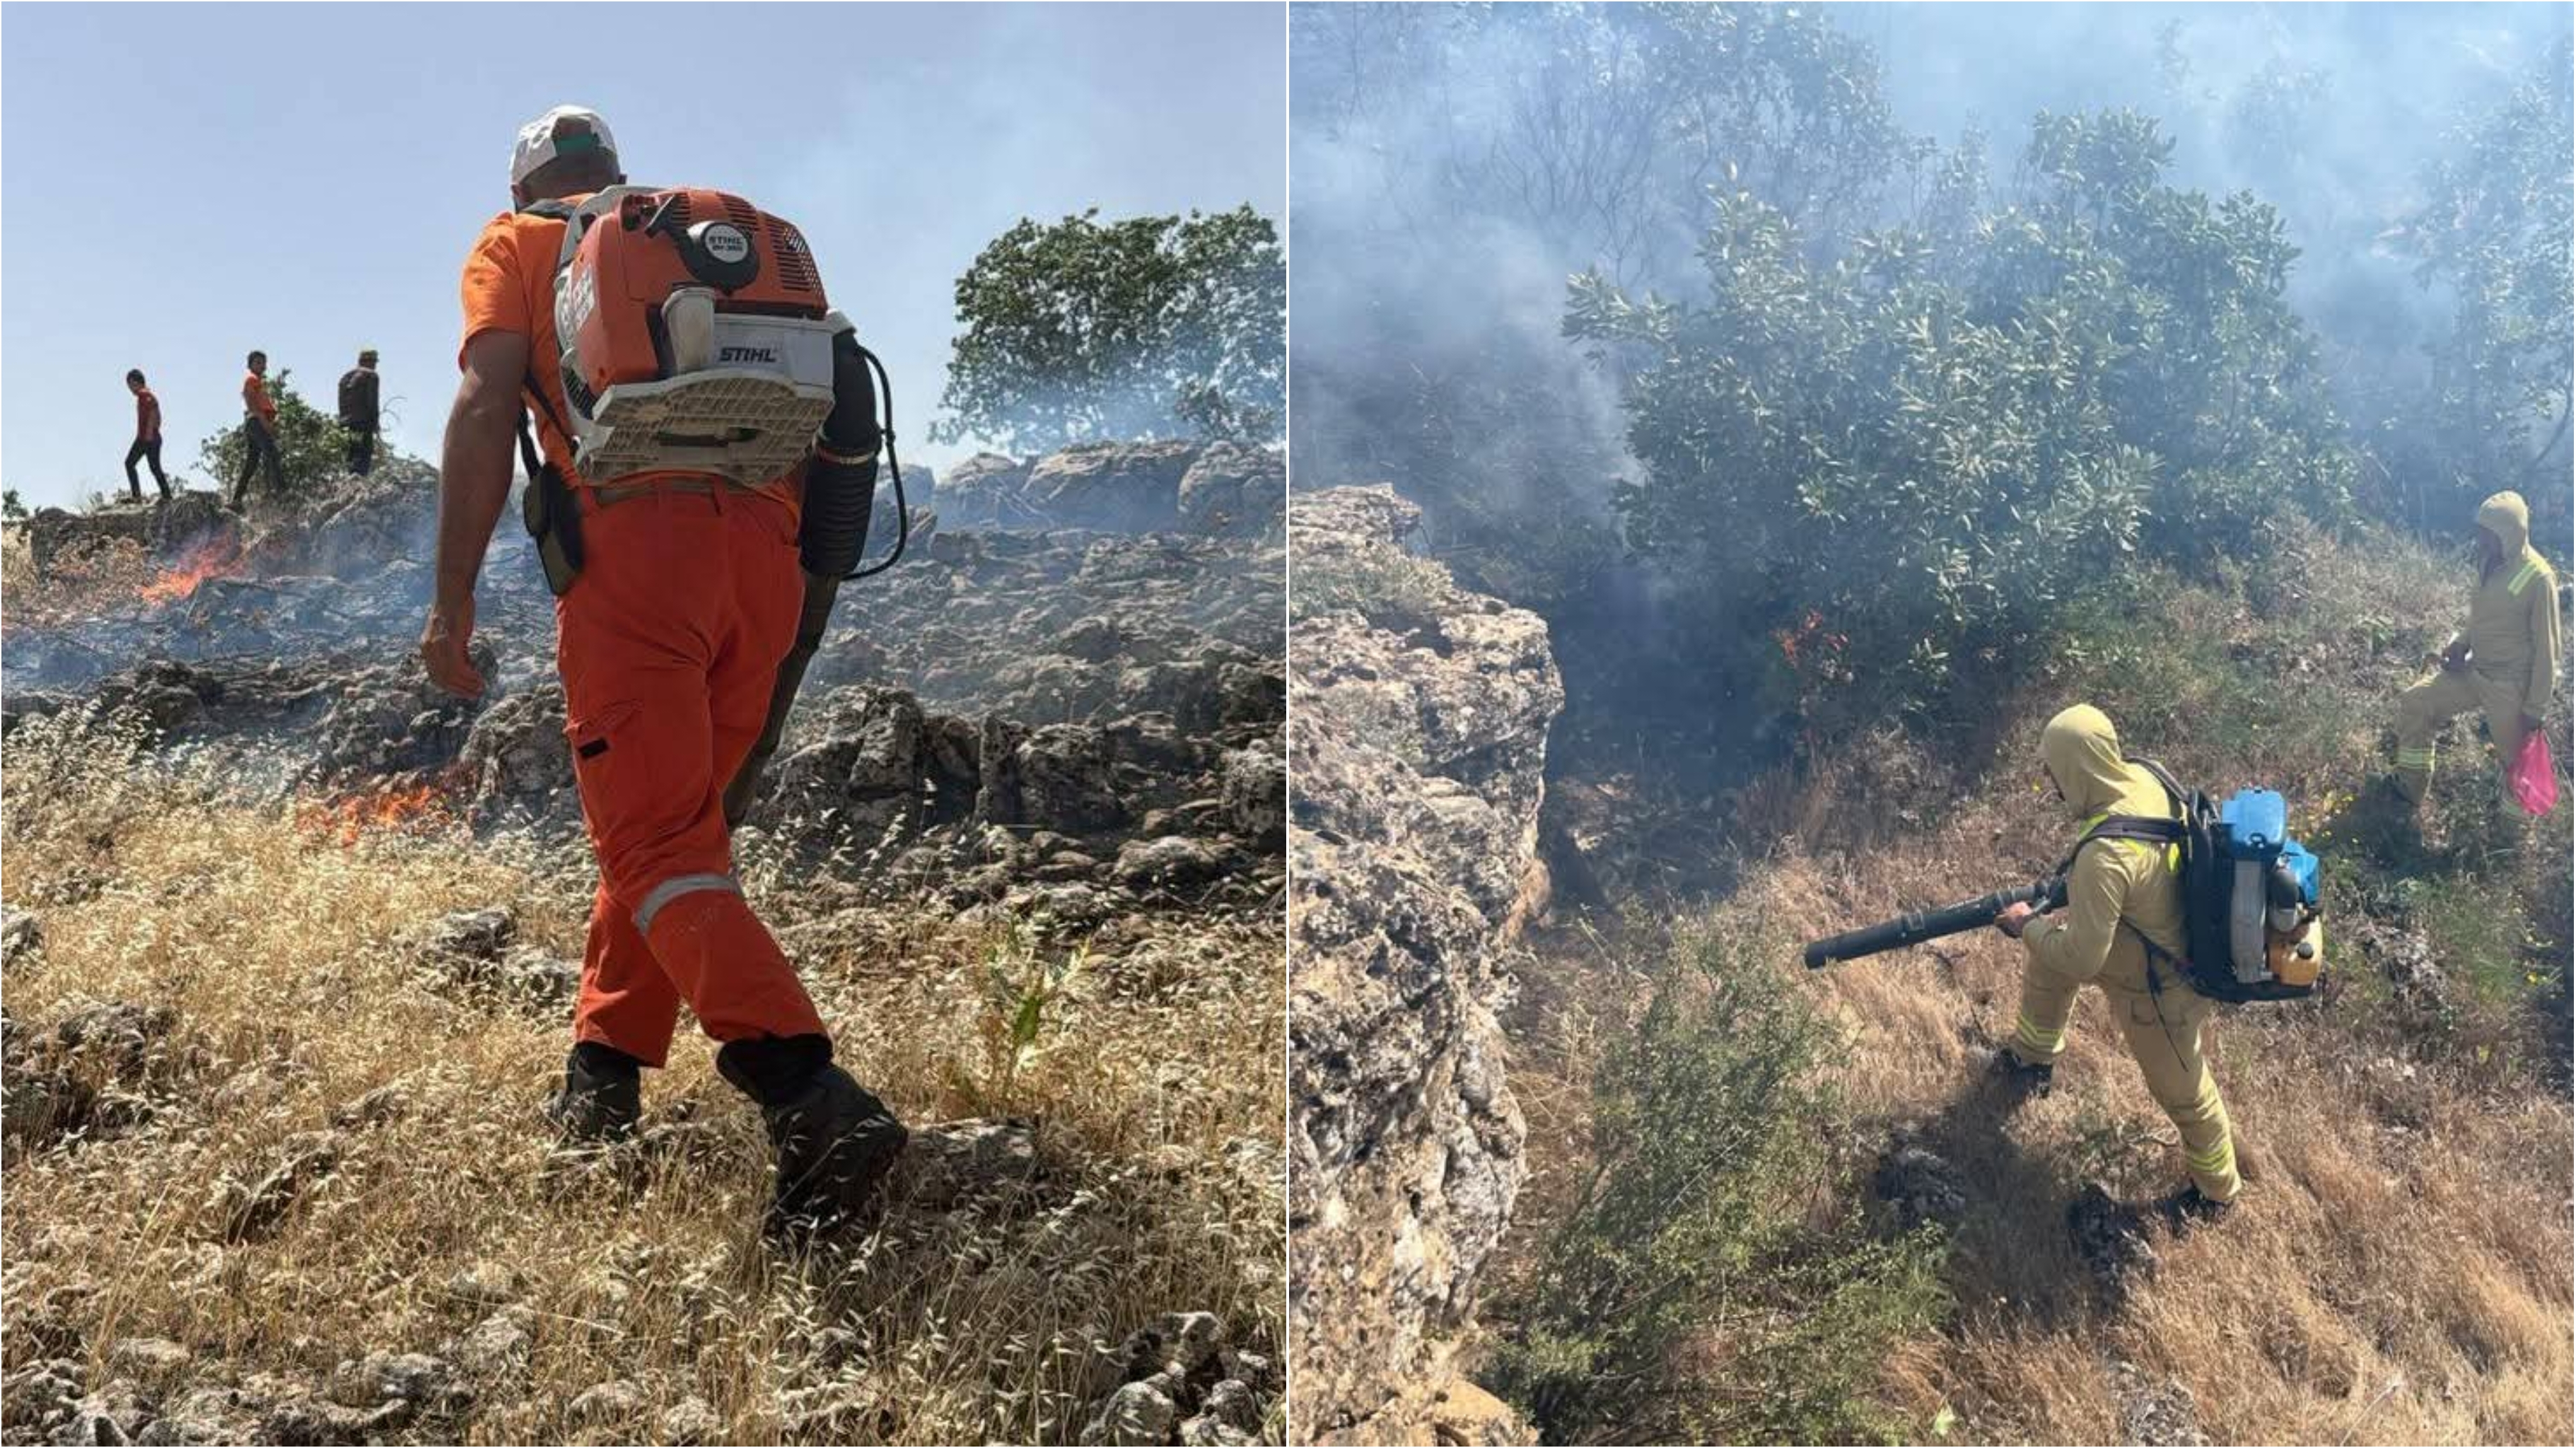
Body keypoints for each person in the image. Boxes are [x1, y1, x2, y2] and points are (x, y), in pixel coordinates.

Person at [417, 104, 907, 1231]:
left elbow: (487, 399)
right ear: (611, 173)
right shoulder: (713, 244)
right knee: (676, 833)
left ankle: (805, 1092)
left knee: (650, 841)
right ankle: (602, 1078)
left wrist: (449, 603)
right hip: (766, 568)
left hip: (641, 561)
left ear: (526, 184)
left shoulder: (520, 245)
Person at [1991, 704, 2242, 1227]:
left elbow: (2083, 959)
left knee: (2184, 1091)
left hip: (2157, 989)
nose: (2049, 782)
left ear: (2076, 769)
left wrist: (2024, 927)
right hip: (2140, 941)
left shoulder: (2103, 857)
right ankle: (2031, 1060)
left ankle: (2216, 1193)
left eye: (2053, 769)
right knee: (2047, 965)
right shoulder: (2146, 776)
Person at [2387, 490, 2560, 812]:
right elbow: (2484, 617)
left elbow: (2548, 650)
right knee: (2416, 701)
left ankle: (2511, 839)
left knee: (2517, 766)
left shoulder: (2540, 579)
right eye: (2479, 529)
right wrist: (2461, 643)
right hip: (2474, 671)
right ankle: (2409, 790)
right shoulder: (2489, 562)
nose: (2479, 538)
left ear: (2509, 533)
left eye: (2487, 532)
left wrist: (2534, 710)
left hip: (2510, 687)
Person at [231, 349, 286, 508]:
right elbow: (252, 404)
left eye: (263, 363)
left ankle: (237, 500)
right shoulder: (251, 379)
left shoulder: (258, 382)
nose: (262, 366)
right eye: (258, 362)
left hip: (256, 423)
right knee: (272, 455)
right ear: (251, 365)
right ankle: (283, 493)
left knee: (252, 463)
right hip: (256, 422)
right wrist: (265, 423)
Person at [123, 369, 170, 502]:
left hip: (147, 438)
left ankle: (137, 496)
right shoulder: (145, 395)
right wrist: (153, 430)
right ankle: (167, 496)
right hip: (150, 437)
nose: (130, 389)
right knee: (155, 468)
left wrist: (149, 433)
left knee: (130, 464)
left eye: (131, 385)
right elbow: (158, 416)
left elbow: (154, 411)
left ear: (136, 382)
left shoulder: (145, 395)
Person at [339, 349, 382, 476]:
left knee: (353, 451)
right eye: (374, 362)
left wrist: (343, 421)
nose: (375, 365)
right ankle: (359, 480)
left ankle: (351, 477)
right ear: (370, 361)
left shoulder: (345, 377)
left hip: (348, 422)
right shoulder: (372, 375)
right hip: (364, 422)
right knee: (365, 452)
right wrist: (376, 423)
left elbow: (341, 401)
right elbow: (372, 401)